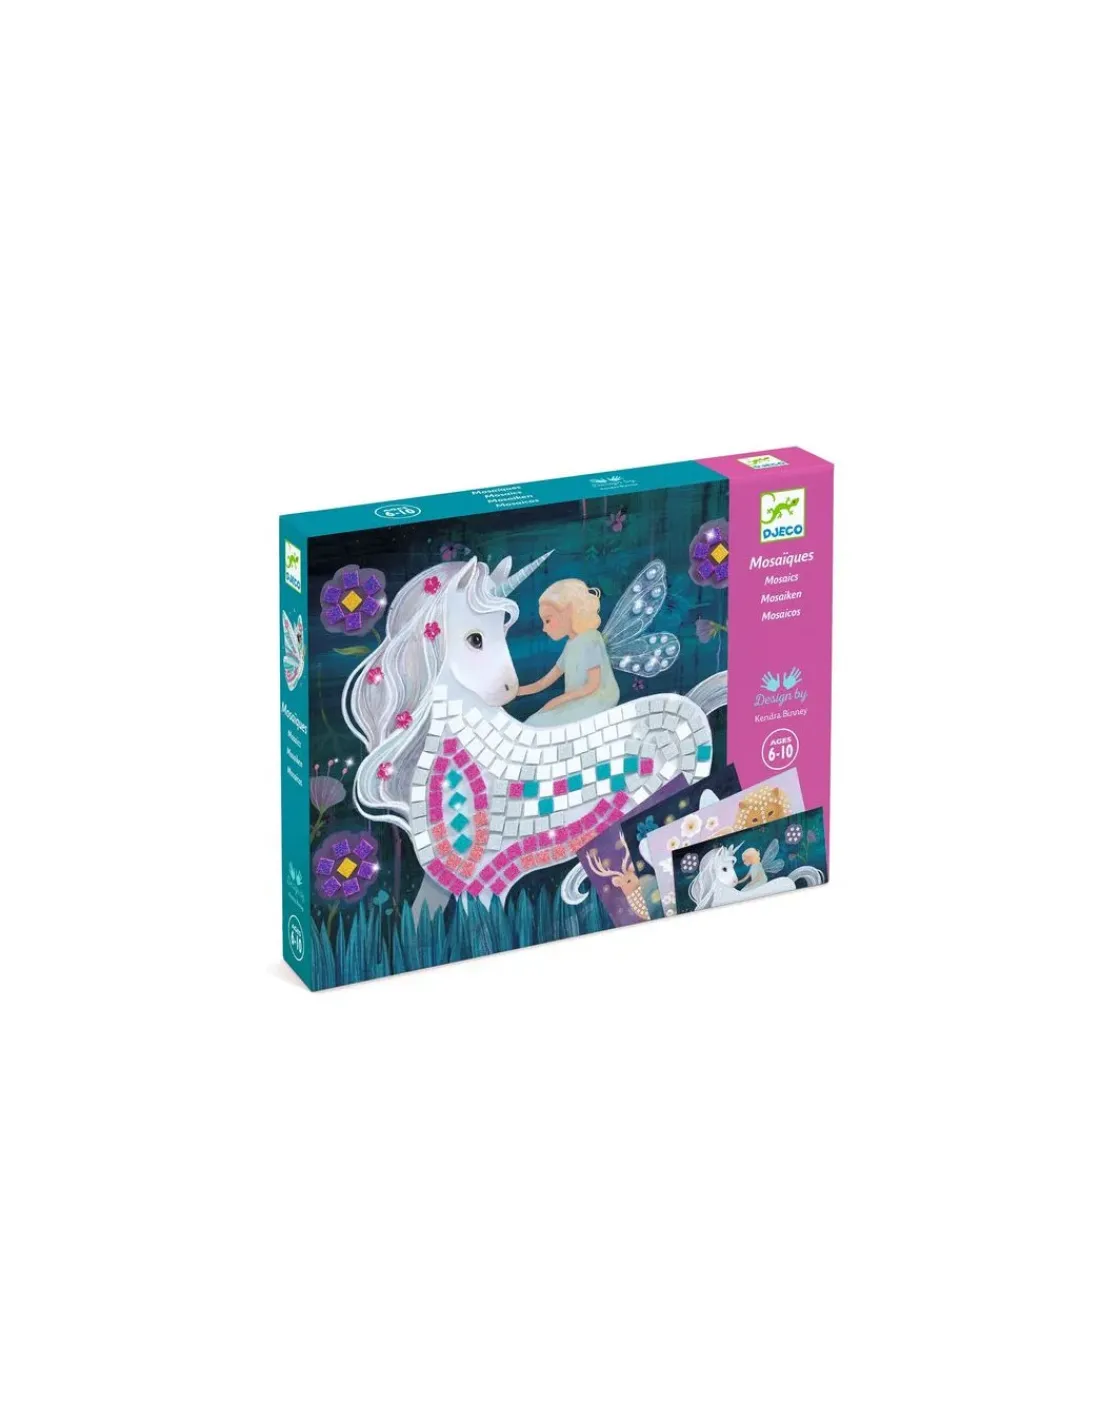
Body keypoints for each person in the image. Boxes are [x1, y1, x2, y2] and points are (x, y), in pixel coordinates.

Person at [517, 579, 620, 726]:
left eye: (548, 620)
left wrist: (559, 700)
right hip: (577, 700)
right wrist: (516, 692)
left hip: (598, 699)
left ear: (568, 612)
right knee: (536, 720)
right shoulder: (570, 645)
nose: (544, 629)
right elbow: (543, 683)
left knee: (541, 722)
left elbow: (592, 686)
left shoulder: (591, 638)